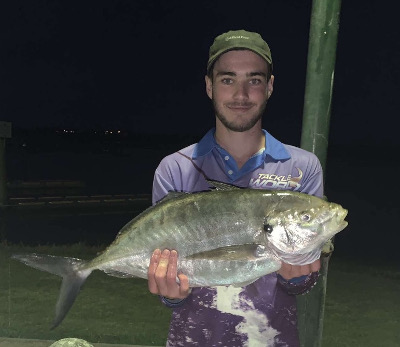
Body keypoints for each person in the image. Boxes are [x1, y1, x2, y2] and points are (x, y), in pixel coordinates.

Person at [147, 29, 323, 347]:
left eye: (254, 80)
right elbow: (169, 276)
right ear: (209, 86)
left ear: (269, 86)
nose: (241, 94)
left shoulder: (302, 168)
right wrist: (171, 294)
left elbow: (300, 281)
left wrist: (300, 276)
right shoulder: (174, 168)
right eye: (228, 79)